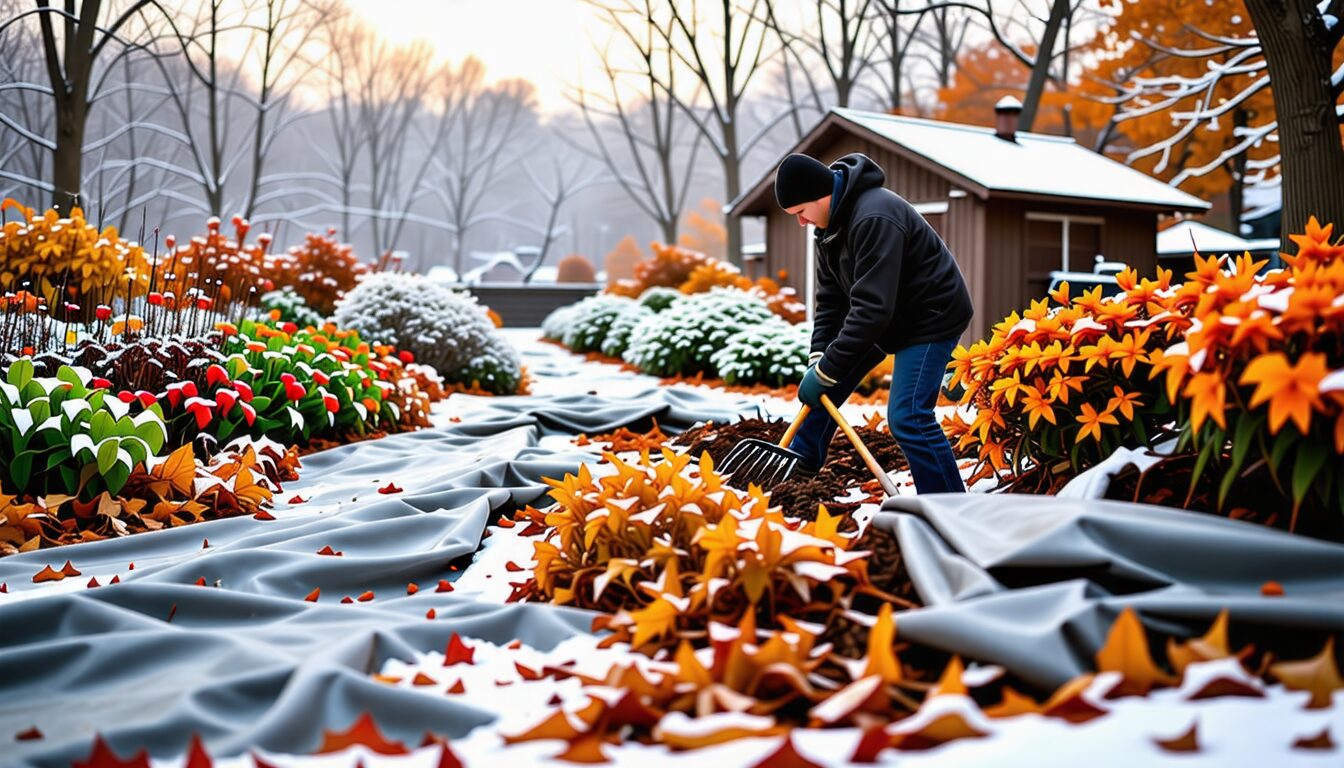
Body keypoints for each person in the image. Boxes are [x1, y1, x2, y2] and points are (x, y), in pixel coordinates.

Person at [773, 152, 973, 494]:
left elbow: (871, 310)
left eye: (801, 213)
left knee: (908, 416)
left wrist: (827, 370)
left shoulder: (875, 216)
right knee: (825, 384)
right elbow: (831, 301)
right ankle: (799, 468)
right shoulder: (828, 228)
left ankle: (947, 502)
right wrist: (819, 356)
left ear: (820, 196)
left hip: (930, 316)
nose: (801, 223)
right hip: (890, 315)